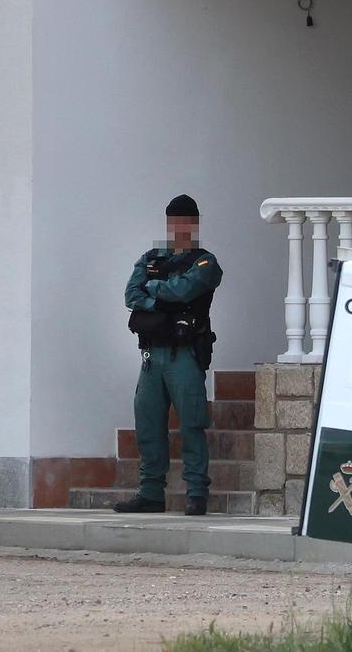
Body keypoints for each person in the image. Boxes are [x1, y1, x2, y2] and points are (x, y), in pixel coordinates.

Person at [115, 194, 222, 515]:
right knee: (147, 424)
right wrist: (159, 297)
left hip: (184, 355)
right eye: (175, 221)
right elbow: (130, 294)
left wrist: (155, 290)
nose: (180, 227)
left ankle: (197, 492)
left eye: (186, 221)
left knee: (191, 422)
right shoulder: (151, 257)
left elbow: (185, 290)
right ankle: (150, 492)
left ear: (195, 224)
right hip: (151, 356)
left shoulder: (205, 261)